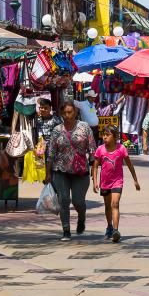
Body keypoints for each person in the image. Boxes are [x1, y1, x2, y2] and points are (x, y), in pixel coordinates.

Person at [44, 101, 96, 241]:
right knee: (64, 200)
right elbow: (50, 153)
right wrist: (48, 173)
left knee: (78, 201)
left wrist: (94, 168)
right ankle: (66, 230)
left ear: (75, 113)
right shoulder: (57, 130)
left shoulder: (84, 128)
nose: (67, 115)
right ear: (61, 114)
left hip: (81, 171)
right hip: (60, 171)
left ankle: (81, 218)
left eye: (70, 112)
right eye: (65, 113)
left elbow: (92, 148)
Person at [92, 125, 140, 242]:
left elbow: (129, 165)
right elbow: (95, 166)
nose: (104, 137)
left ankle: (115, 230)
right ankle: (109, 226)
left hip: (117, 182)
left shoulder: (121, 149)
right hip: (105, 182)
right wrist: (95, 181)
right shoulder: (100, 149)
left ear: (115, 137)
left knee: (115, 204)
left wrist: (135, 180)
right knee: (108, 206)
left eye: (107, 135)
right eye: (103, 135)